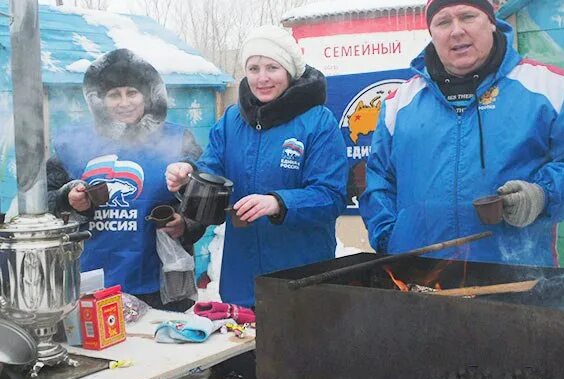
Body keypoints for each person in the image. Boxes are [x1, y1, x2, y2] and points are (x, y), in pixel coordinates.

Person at [360, 0, 564, 266]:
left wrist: (542, 195)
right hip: (418, 281)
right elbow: (379, 182)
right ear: (432, 34)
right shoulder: (399, 103)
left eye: (468, 16)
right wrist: (388, 236)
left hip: (516, 280)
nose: (456, 30)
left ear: (491, 21)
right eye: (443, 22)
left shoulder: (552, 88)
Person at [166, 25, 347, 307]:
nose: (262, 78)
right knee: (246, 350)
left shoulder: (318, 122)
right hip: (242, 279)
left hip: (301, 277)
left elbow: (332, 197)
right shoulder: (231, 121)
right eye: (253, 68)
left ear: (289, 71)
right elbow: (211, 174)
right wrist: (189, 176)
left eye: (272, 67)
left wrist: (279, 203)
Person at [47, 48, 204, 312]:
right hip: (90, 283)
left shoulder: (177, 140)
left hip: (159, 284)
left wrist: (185, 225)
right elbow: (41, 201)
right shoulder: (71, 143)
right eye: (113, 95)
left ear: (148, 96)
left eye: (132, 92)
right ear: (99, 100)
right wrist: (67, 198)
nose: (124, 102)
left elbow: (203, 201)